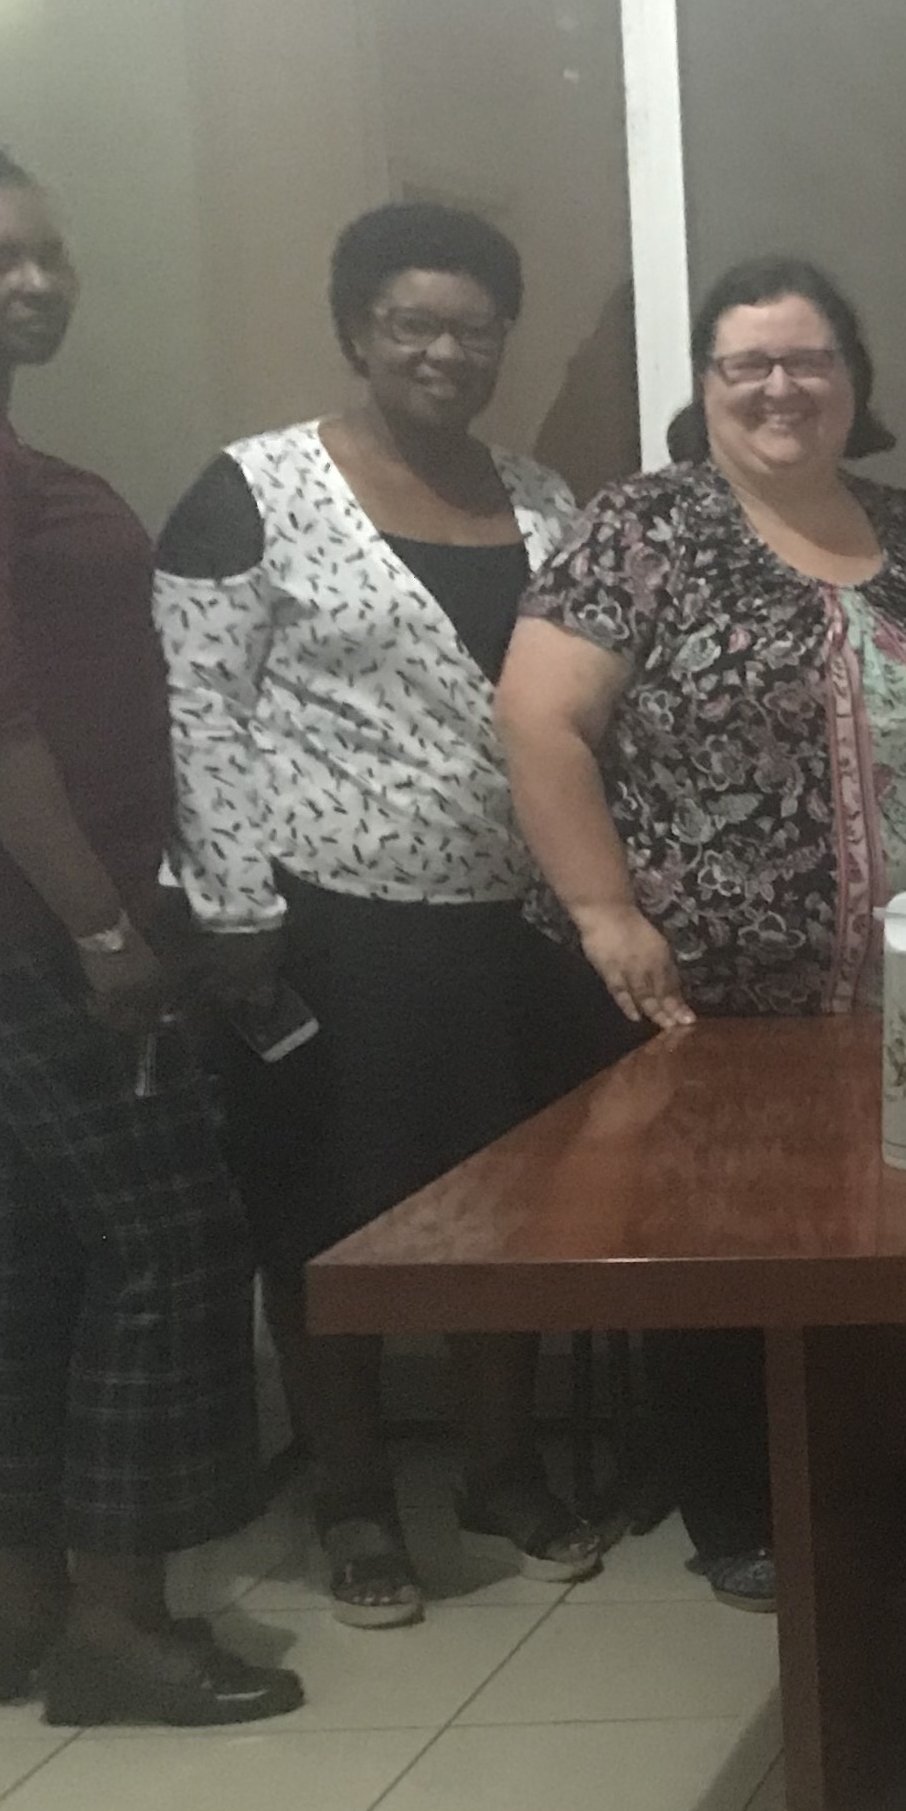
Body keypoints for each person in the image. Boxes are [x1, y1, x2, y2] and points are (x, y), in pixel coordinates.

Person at [0, 135, 295, 1724]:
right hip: (28, 922)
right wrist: (107, 926)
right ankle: (120, 1618)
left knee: (11, 1250)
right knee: (173, 1237)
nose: (40, 281)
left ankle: (14, 1606)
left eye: (51, 252)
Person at [501, 256, 906, 1611]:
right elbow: (539, 719)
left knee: (884, 1247)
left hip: (903, 991)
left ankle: (873, 1478)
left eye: (810, 361)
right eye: (747, 366)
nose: (783, 388)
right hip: (706, 986)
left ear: (855, 381)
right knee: (722, 1247)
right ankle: (741, 1509)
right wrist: (607, 911)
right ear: (709, 388)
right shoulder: (643, 528)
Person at [157, 202, 618, 1624]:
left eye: (474, 330)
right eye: (414, 324)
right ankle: (353, 1499)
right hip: (326, 931)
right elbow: (199, 713)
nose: (445, 352)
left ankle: (498, 1464)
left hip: (510, 927)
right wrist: (234, 920)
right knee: (323, 1224)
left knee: (509, 1216)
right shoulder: (252, 488)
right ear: (358, 331)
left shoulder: (545, 503)